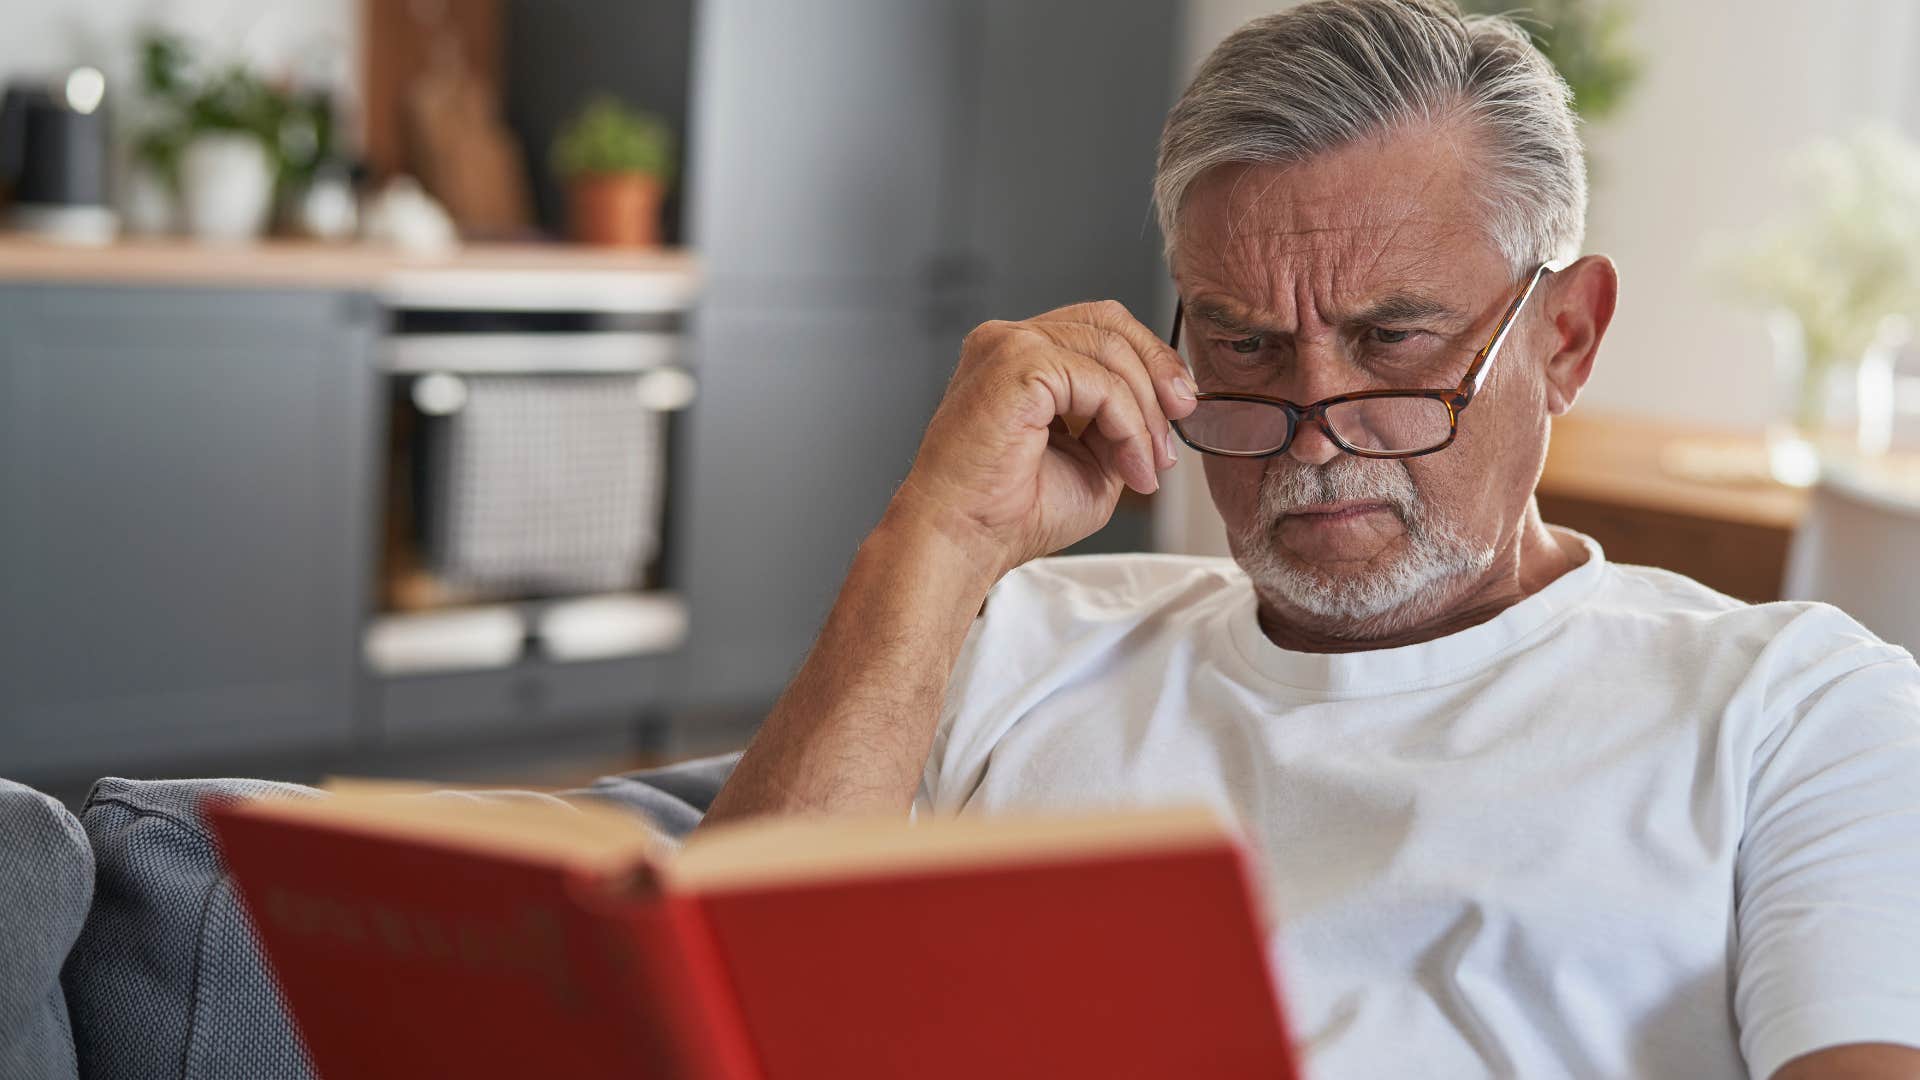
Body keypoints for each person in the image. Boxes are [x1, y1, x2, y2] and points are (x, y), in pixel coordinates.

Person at [703, 2, 1920, 1076]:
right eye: (1245, 345)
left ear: (1566, 339)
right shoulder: (1016, 639)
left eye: (1393, 341)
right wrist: (940, 536)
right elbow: (719, 1011)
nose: (1316, 429)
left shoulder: (1795, 708)